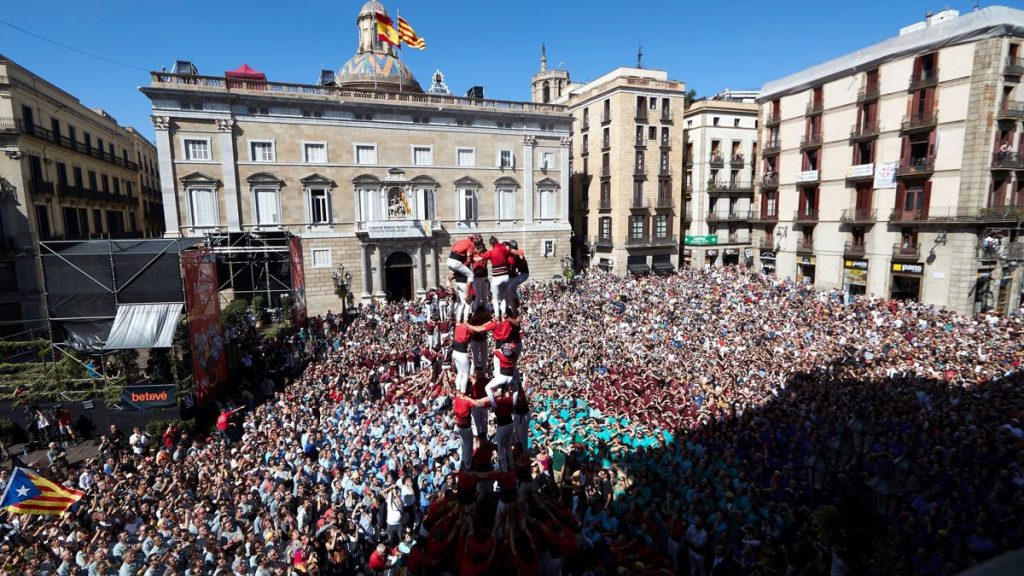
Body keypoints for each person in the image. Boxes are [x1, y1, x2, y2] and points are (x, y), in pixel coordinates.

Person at [446, 234, 483, 321]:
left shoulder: (461, 241)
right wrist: (474, 258)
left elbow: (456, 249)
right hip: (461, 277)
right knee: (471, 275)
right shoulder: (471, 244)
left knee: (461, 303)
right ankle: (466, 320)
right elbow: (469, 256)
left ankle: (458, 321)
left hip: (450, 260)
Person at [480, 236, 512, 320]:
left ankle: (497, 316)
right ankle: (504, 315)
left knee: (495, 299)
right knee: (503, 297)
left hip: (496, 278)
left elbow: (483, 257)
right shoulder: (504, 249)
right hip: (505, 277)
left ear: (491, 244)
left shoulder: (491, 251)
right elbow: (510, 251)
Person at [505, 240, 530, 315]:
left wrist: (509, 250)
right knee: (511, 287)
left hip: (524, 274)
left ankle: (516, 299)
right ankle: (516, 300)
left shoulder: (519, 251)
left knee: (509, 287)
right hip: (519, 273)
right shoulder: (514, 256)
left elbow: (520, 255)